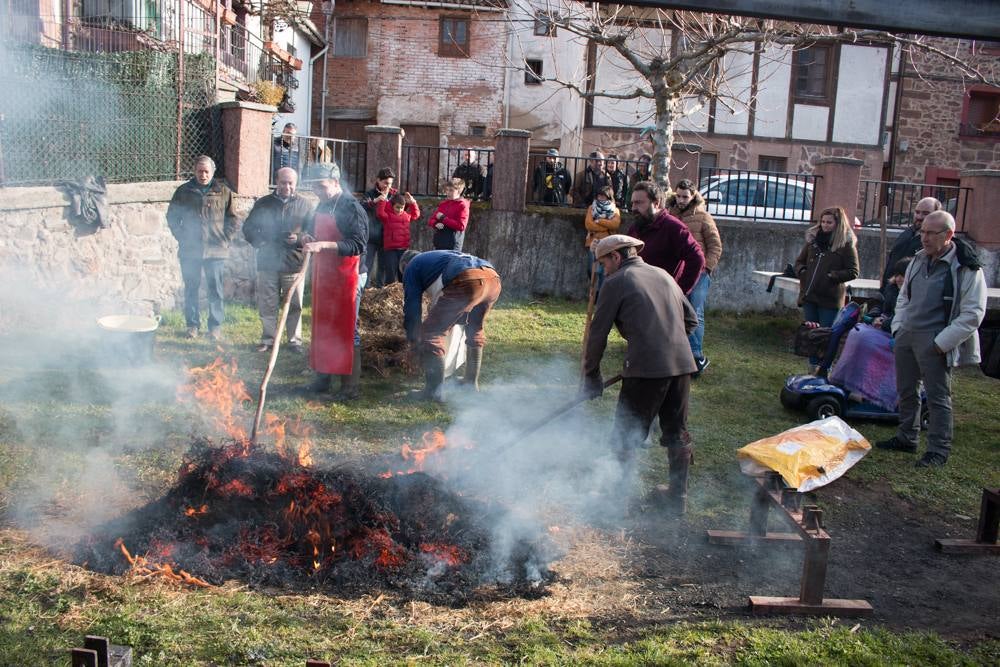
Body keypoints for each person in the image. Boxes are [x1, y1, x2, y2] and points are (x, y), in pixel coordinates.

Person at [582, 234, 699, 514]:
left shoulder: (616, 282)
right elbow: (691, 320)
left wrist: (591, 376)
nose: (602, 270)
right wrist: (667, 345)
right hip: (682, 365)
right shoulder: (663, 275)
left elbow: (597, 334)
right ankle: (677, 499)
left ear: (617, 257)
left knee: (626, 434)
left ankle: (616, 501)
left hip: (646, 369)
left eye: (603, 263)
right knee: (677, 432)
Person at [876, 211, 987, 467]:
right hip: (908, 334)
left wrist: (941, 343)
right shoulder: (917, 259)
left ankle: (938, 449)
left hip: (936, 340)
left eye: (930, 233)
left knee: (938, 398)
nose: (923, 238)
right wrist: (898, 326)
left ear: (948, 235)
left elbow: (973, 314)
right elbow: (904, 295)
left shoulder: (966, 267)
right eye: (922, 232)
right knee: (906, 390)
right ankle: (907, 436)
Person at [301, 162, 369, 401]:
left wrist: (323, 245)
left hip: (349, 274)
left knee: (347, 328)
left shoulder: (351, 207)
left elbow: (358, 245)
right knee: (324, 325)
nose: (317, 191)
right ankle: (322, 380)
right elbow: (312, 229)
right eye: (314, 187)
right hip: (326, 273)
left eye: (321, 186)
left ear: (336, 183)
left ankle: (349, 388)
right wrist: (307, 236)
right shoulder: (323, 204)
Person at [400, 249, 502, 400]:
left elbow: (412, 308)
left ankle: (434, 393)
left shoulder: (411, 266)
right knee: (475, 329)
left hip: (467, 279)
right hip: (493, 279)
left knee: (431, 334)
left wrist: (414, 339)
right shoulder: (438, 257)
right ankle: (470, 383)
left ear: (404, 264)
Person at [242, 166, 315, 353]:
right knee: (268, 303)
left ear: (296, 184)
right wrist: (260, 242)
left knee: (295, 304)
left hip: (294, 261)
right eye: (283, 182)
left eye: (291, 183)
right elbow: (248, 228)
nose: (287, 186)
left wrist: (298, 239)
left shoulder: (305, 205)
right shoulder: (264, 204)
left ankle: (294, 341)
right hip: (267, 262)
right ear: (277, 181)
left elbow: (314, 232)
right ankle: (268, 339)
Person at [166, 155, 239, 340]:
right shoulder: (184, 191)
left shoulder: (223, 191)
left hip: (216, 251)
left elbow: (233, 219)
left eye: (206, 171)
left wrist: (225, 238)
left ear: (213, 172)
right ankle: (192, 326)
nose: (203, 175)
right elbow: (172, 217)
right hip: (190, 250)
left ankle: (215, 327)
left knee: (215, 290)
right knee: (191, 288)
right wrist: (182, 237)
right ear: (194, 171)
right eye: (200, 171)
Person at [667, 179, 723, 375]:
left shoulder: (703, 217)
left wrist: (706, 268)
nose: (681, 200)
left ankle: (696, 355)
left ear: (693, 196)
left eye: (685, 196)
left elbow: (715, 246)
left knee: (694, 312)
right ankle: (676, 351)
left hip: (699, 273)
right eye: (679, 196)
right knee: (673, 310)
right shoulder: (669, 214)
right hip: (675, 271)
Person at [626, 181, 705, 295]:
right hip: (636, 296)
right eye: (633, 203)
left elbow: (697, 258)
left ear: (656, 203)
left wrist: (678, 292)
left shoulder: (674, 228)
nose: (633, 208)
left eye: (639, 203)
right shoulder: (635, 228)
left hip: (662, 299)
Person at [794, 206, 860, 329]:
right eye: (823, 222)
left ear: (838, 224)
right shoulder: (813, 241)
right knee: (809, 332)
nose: (825, 225)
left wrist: (832, 276)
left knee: (825, 333)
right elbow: (799, 262)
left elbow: (853, 271)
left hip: (829, 299)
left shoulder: (846, 245)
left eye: (829, 222)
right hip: (809, 295)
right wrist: (803, 272)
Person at [881, 197, 941, 288]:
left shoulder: (937, 241)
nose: (919, 217)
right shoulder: (906, 234)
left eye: (925, 213)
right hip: (891, 291)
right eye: (917, 212)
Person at [360, 167, 397, 288]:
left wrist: (409, 203)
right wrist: (375, 201)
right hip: (371, 236)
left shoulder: (394, 195)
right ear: (378, 180)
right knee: (367, 265)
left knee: (383, 266)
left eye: (390, 183)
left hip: (387, 237)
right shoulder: (370, 194)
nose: (388, 186)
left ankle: (380, 291)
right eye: (385, 183)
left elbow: (401, 211)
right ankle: (365, 290)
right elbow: (361, 207)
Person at [584, 185, 621, 294]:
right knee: (591, 269)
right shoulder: (592, 208)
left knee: (603, 271)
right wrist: (606, 225)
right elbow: (589, 224)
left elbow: (615, 224)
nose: (600, 198)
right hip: (593, 243)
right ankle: (594, 290)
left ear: (609, 197)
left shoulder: (615, 210)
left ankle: (600, 293)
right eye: (599, 195)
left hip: (608, 243)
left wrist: (599, 221)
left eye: (603, 196)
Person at [376, 192, 420, 285]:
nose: (399, 210)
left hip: (403, 249)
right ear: (392, 206)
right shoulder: (388, 217)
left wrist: (413, 202)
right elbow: (380, 213)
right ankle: (389, 291)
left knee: (403, 271)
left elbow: (416, 215)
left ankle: (401, 291)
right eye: (397, 207)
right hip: (390, 250)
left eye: (402, 208)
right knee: (391, 272)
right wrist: (382, 201)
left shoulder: (406, 216)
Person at [871, 257, 912, 332]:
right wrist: (875, 317)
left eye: (903, 275)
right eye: (897, 275)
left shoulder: (913, 294)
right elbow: (881, 306)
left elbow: (903, 316)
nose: (898, 279)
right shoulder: (891, 288)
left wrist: (884, 323)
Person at [429, 178, 471, 251]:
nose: (448, 193)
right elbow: (431, 220)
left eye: (451, 190)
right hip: (439, 243)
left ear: (459, 191)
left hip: (453, 245)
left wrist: (443, 218)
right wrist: (435, 224)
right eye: (447, 190)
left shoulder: (462, 205)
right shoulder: (444, 204)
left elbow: (461, 226)